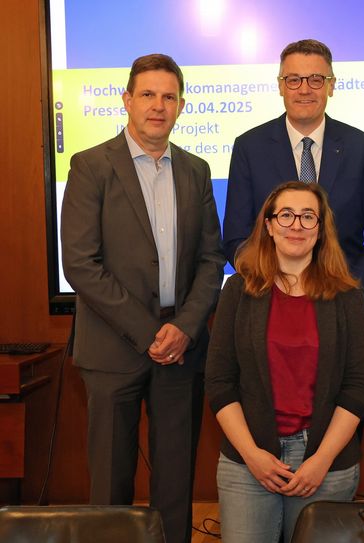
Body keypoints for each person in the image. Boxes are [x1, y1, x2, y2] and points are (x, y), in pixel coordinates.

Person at [61, 54, 224, 543]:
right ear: (127, 100)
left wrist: (185, 328)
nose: (158, 106)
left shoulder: (196, 170)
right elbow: (81, 264)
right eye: (148, 95)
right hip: (113, 348)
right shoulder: (90, 165)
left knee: (175, 481)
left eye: (169, 97)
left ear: (181, 106)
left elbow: (211, 260)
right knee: (111, 483)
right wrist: (151, 332)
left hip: (181, 347)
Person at [206, 181, 364, 543]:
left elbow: (357, 387)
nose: (296, 225)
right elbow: (220, 382)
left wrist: (321, 460)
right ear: (268, 225)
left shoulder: (348, 296)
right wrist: (252, 455)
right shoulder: (238, 291)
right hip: (248, 461)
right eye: (286, 215)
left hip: (325, 463)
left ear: (321, 228)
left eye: (308, 216)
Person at [222, 38, 364, 297]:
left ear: (331, 85)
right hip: (270, 301)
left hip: (343, 300)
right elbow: (236, 239)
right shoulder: (249, 147)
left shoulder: (361, 147)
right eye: (293, 80)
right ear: (281, 86)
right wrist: (274, 287)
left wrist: (349, 290)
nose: (304, 90)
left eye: (316, 79)